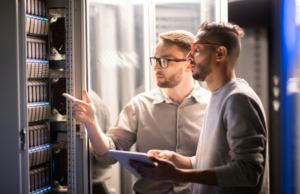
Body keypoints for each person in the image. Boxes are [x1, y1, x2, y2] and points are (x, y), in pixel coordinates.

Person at [63, 30, 211, 194]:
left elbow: (227, 161)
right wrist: (91, 123)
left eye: (164, 61)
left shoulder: (213, 107)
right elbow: (108, 155)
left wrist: (183, 162)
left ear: (189, 63)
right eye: (155, 60)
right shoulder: (140, 105)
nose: (156, 68)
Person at [130, 22, 269, 194]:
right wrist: (179, 160)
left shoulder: (238, 99)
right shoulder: (218, 96)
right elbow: (216, 162)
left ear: (220, 53)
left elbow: (248, 172)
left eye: (196, 49)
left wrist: (180, 175)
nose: (189, 57)